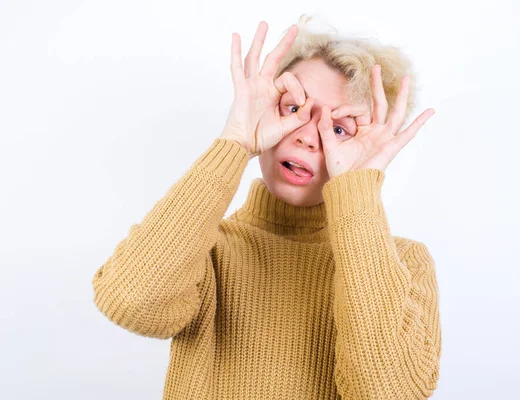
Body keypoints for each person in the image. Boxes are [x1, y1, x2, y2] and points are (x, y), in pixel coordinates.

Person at [92, 14, 442, 400]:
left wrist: (358, 190)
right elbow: (129, 303)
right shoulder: (207, 248)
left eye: (338, 129)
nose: (309, 136)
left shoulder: (405, 261)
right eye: (294, 110)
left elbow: (389, 391)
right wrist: (236, 141)